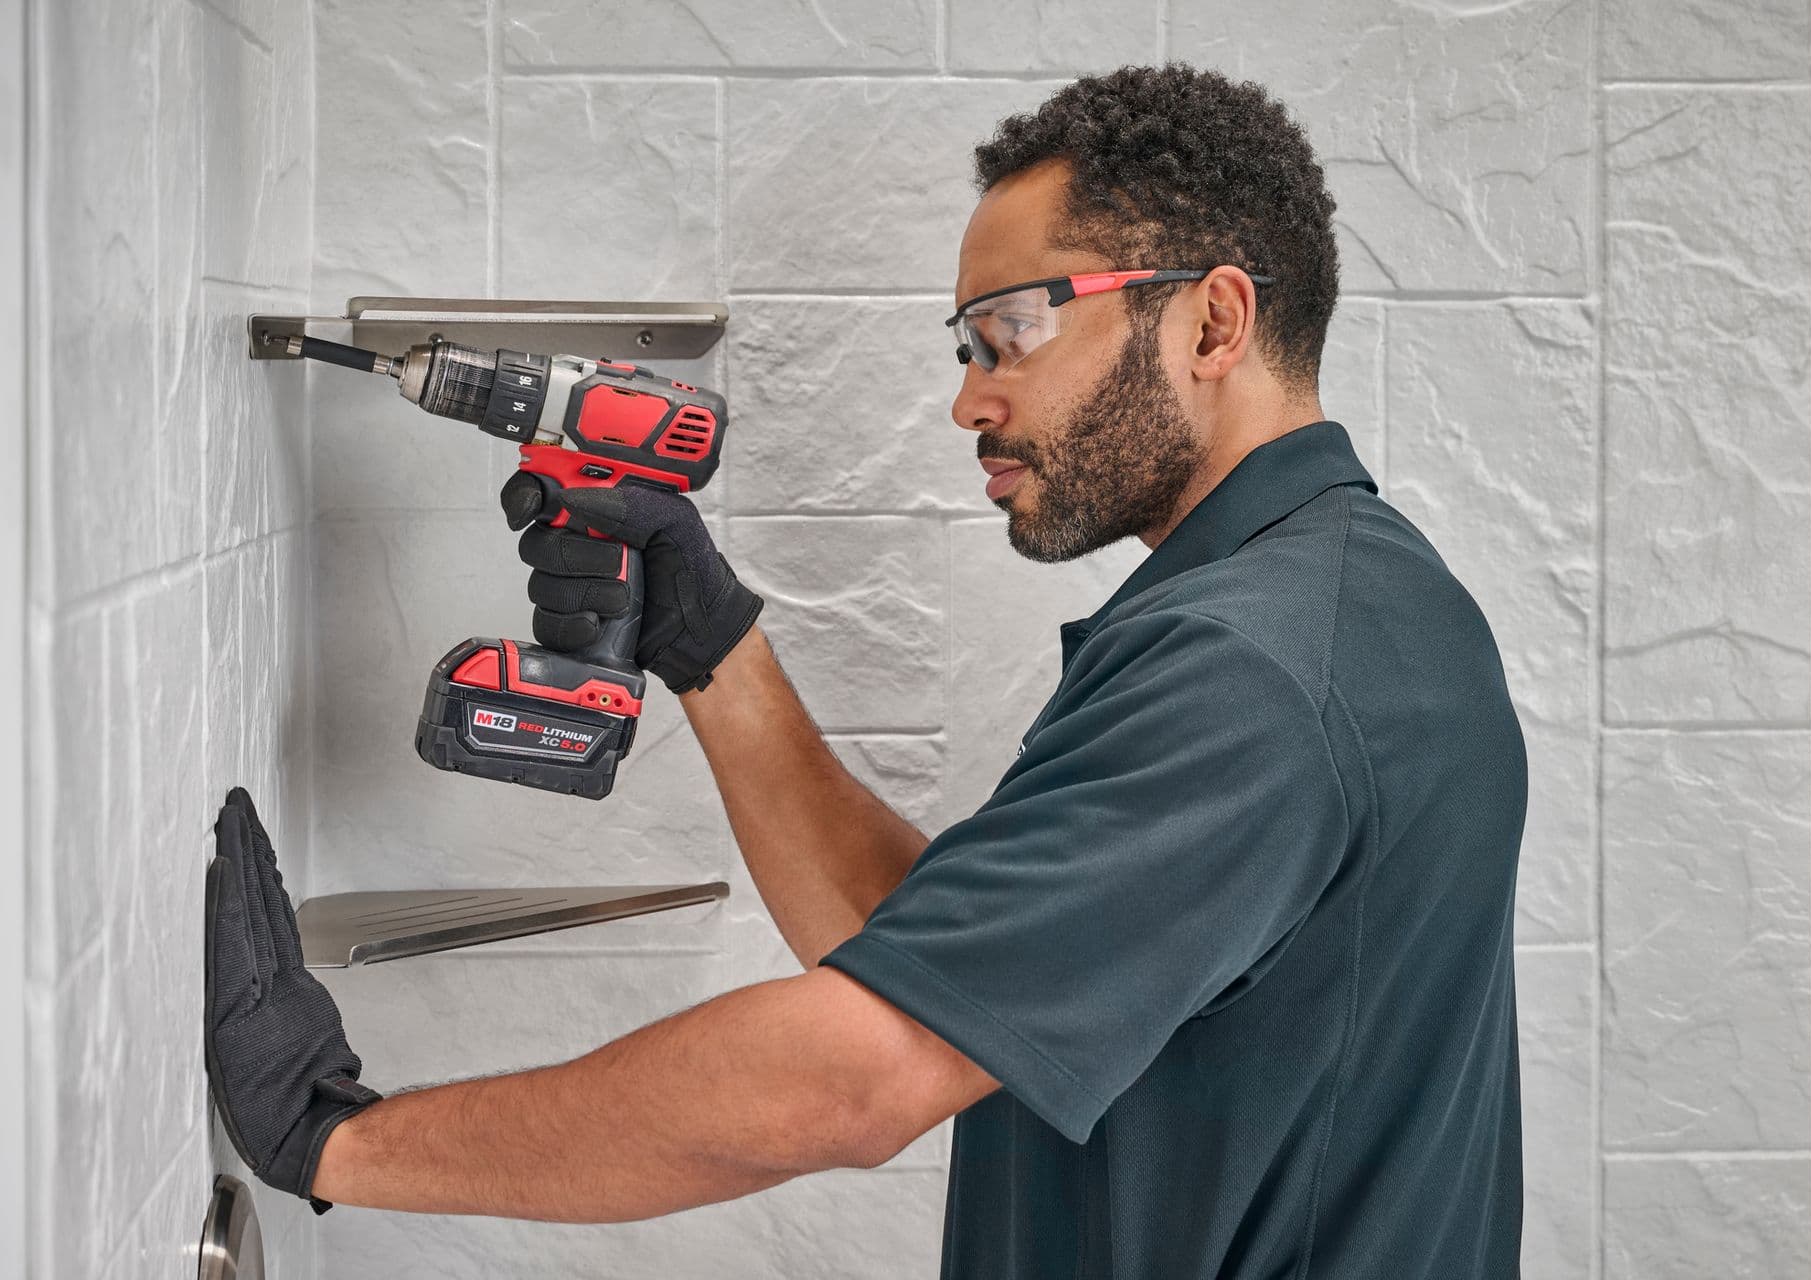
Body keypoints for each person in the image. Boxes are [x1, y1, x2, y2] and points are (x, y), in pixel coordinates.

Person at [205, 63, 1528, 1278]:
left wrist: (339, 1143)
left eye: (1011, 329)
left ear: (1213, 320)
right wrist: (710, 644)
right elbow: (939, 967)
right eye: (968, 343)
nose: (967, 398)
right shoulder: (1350, 604)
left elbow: (850, 1079)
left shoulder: (1258, 673)